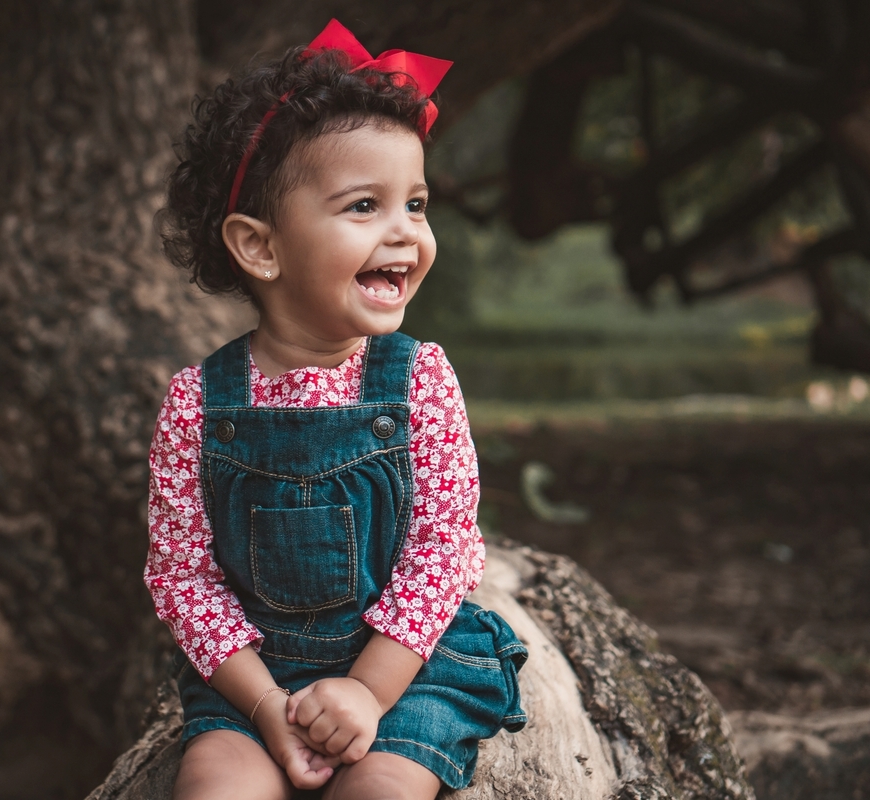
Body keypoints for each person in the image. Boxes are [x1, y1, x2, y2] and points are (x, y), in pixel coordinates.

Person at [145, 20, 527, 800]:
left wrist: (367, 693)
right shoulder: (198, 403)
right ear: (260, 247)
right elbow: (183, 577)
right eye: (365, 205)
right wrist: (266, 708)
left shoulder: (418, 380)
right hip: (259, 674)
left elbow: (443, 553)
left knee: (382, 788)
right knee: (216, 789)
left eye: (416, 204)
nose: (405, 232)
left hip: (407, 666)